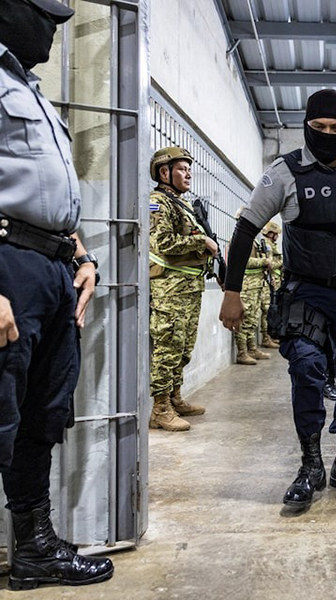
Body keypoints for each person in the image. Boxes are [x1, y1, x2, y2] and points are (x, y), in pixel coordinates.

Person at [219, 89, 336, 511]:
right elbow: (245, 231)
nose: (328, 134)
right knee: (308, 369)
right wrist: (232, 293)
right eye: (318, 127)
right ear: (305, 126)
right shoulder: (284, 173)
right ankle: (311, 463)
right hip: (307, 291)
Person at [0, 0, 114, 588]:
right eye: (44, 16)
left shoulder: (29, 87)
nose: (53, 30)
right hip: (7, 267)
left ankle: (35, 549)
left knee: (41, 415)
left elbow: (46, 190)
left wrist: (83, 252)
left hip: (50, 266)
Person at [148, 147, 218, 431]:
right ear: (164, 172)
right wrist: (201, 243)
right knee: (168, 346)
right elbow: (162, 243)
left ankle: (175, 398)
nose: (188, 173)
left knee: (183, 347)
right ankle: (160, 409)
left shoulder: (182, 204)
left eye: (189, 169)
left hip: (189, 287)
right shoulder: (157, 202)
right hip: (170, 288)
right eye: (181, 168)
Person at [231, 207, 271, 365]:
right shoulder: (240, 240)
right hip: (246, 285)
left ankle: (252, 348)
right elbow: (244, 261)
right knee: (244, 320)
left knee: (253, 319)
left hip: (256, 285)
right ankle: (242, 353)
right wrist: (264, 262)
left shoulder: (254, 240)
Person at [259, 221, 283, 349]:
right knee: (267, 310)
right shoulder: (266, 245)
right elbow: (270, 264)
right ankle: (266, 338)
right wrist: (280, 262)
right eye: (276, 234)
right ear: (271, 233)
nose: (277, 237)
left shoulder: (271, 245)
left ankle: (270, 336)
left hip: (275, 280)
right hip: (269, 281)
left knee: (272, 309)